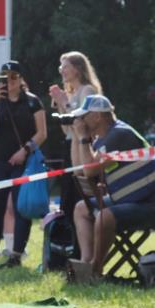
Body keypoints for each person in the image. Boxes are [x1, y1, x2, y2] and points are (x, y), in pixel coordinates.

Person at [68, 96, 155, 281]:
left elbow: (89, 171)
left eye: (84, 116)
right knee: (81, 209)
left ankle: (95, 269)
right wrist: (77, 138)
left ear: (97, 116)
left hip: (151, 204)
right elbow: (79, 169)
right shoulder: (103, 138)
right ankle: (85, 262)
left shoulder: (119, 135)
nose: (81, 121)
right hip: (127, 200)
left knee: (104, 216)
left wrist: (83, 138)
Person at [0, 60, 47, 269]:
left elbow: (42, 133)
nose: (9, 81)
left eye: (13, 77)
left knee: (21, 207)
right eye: (4, 78)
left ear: (20, 78)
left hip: (23, 161)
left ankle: (16, 255)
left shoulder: (32, 102)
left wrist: (25, 150)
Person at [49, 52, 102, 233]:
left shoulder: (87, 90)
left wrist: (65, 102)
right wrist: (61, 104)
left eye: (66, 67)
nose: (62, 71)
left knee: (78, 194)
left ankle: (82, 240)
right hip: (70, 147)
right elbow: (67, 130)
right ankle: (70, 241)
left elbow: (83, 121)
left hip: (83, 147)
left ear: (78, 69)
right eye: (61, 67)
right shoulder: (72, 94)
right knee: (68, 197)